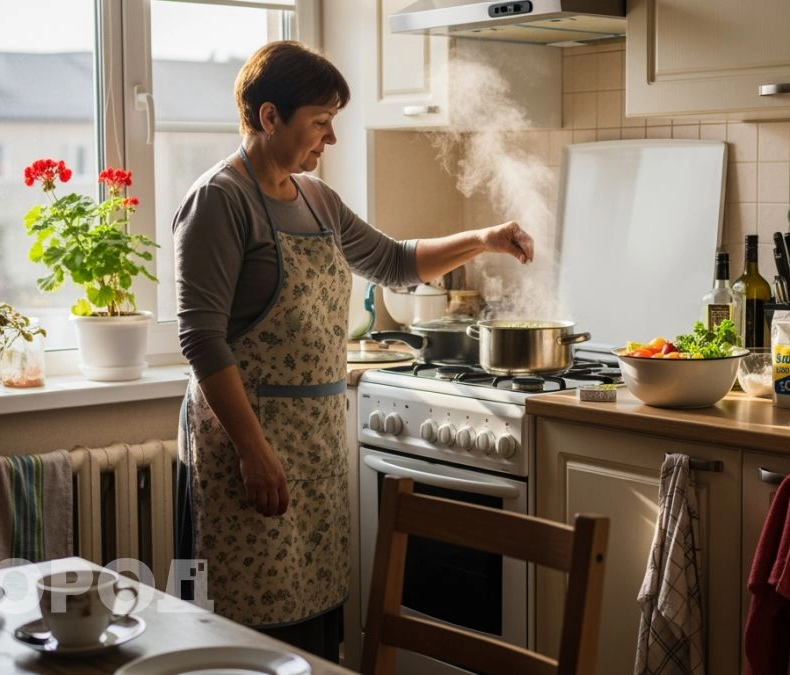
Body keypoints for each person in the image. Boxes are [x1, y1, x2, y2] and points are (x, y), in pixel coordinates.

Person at [171, 40, 533, 661]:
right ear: (268, 117)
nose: (329, 140)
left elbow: (394, 263)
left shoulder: (318, 200)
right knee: (237, 639)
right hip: (242, 451)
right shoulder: (219, 200)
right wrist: (254, 451)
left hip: (312, 445)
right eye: (319, 122)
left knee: (313, 627)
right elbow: (200, 339)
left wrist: (485, 238)